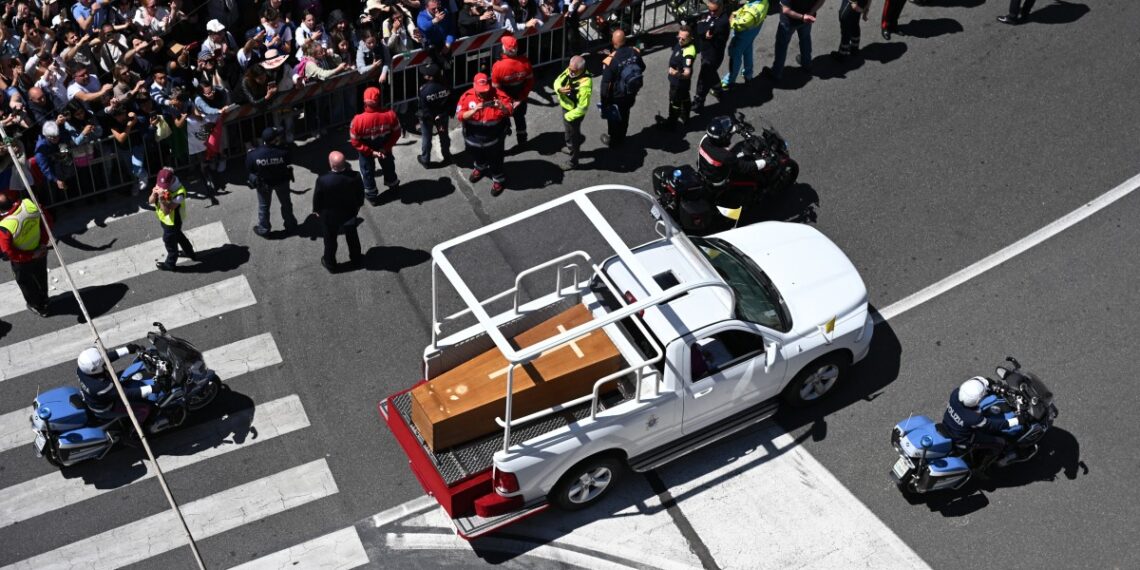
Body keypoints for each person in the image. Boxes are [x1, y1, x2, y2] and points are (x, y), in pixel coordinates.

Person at [942, 376, 1029, 466]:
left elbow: (974, 383)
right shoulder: (973, 418)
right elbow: (993, 425)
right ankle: (985, 465)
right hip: (963, 440)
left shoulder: (955, 395)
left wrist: (989, 383)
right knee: (1000, 442)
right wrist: (1017, 420)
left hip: (948, 425)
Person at [76, 344, 165, 429]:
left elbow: (104, 359)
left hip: (100, 395)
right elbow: (127, 393)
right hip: (108, 407)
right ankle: (135, 430)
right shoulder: (100, 387)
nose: (103, 357)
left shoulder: (82, 369)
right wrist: (153, 388)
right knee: (145, 408)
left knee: (126, 375)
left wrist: (127, 349)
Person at [456, 72, 513, 196]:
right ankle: (480, 167)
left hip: (494, 140)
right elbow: (460, 116)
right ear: (474, 86)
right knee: (476, 155)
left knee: (496, 160)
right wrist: (474, 110)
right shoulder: (466, 97)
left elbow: (509, 111)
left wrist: (501, 107)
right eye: (480, 91)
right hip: (473, 140)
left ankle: (498, 179)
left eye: (485, 90)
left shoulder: (499, 95)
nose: (483, 93)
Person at [0, 190, 53, 317]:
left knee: (27, 284)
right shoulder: (29, 204)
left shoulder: (4, 226)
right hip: (40, 250)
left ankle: (38, 306)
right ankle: (44, 299)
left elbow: (9, 253)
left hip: (23, 260)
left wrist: (31, 255)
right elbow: (48, 222)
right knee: (41, 277)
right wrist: (43, 244)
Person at [312, 151, 365, 272]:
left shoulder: (323, 180)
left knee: (330, 240)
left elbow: (318, 197)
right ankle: (356, 259)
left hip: (330, 217)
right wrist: (358, 205)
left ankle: (330, 263)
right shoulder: (355, 176)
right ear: (345, 163)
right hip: (349, 214)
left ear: (331, 164)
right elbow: (360, 193)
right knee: (352, 237)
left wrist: (316, 210)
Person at [349, 86, 401, 206]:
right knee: (388, 166)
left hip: (366, 150)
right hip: (384, 146)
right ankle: (393, 187)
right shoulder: (390, 115)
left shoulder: (357, 121)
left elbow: (355, 142)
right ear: (379, 100)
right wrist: (385, 148)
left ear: (364, 101)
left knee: (367, 172)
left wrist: (370, 152)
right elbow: (397, 133)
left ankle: (372, 196)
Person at [245, 126, 298, 236]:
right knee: (286, 204)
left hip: (264, 184)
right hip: (282, 181)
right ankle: (291, 225)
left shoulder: (253, 154)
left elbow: (250, 169)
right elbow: (289, 160)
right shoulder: (284, 151)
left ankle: (264, 228)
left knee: (264, 206)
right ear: (275, 140)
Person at [598, 29, 645, 148]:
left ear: (613, 42)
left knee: (614, 118)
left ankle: (614, 141)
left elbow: (605, 85)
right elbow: (642, 67)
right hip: (631, 93)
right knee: (625, 114)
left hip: (617, 96)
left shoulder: (611, 60)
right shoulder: (634, 52)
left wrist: (604, 102)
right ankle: (622, 136)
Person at [761, 0, 826, 82]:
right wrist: (810, 13)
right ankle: (807, 64)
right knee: (805, 39)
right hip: (808, 18)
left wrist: (803, 17)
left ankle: (776, 73)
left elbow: (786, 10)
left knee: (781, 45)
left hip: (789, 22)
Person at [697, 115, 768, 188]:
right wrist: (765, 162)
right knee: (744, 158)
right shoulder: (725, 156)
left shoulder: (705, 139)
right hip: (718, 180)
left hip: (704, 170)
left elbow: (721, 134)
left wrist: (736, 128)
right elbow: (744, 167)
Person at [491, 34, 534, 148]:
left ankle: (503, 141)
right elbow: (529, 82)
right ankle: (523, 142)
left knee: (502, 119)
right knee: (520, 119)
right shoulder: (525, 63)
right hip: (520, 96)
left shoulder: (498, 66)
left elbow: (496, 87)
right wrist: (520, 98)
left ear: (504, 49)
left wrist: (506, 102)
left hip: (505, 99)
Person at [149, 167, 196, 271]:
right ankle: (190, 252)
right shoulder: (161, 185)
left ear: (172, 180)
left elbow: (166, 211)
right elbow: (151, 201)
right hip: (165, 220)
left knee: (169, 241)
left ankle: (170, 264)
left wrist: (161, 199)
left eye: (165, 186)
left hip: (173, 221)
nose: (162, 188)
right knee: (179, 236)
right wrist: (154, 193)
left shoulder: (180, 193)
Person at [553, 55, 591, 171]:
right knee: (568, 132)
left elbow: (582, 108)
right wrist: (559, 89)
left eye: (573, 71)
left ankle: (573, 160)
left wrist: (569, 116)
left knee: (574, 136)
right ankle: (570, 148)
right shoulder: (571, 69)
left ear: (581, 69)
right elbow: (557, 81)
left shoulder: (585, 84)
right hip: (566, 109)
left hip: (573, 114)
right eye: (569, 69)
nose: (569, 72)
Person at [692, 0, 730, 111]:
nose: (712, 13)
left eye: (714, 10)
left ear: (721, 7)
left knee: (703, 79)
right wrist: (704, 32)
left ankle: (699, 101)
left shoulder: (721, 23)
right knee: (711, 74)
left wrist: (703, 31)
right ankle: (718, 91)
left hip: (713, 55)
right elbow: (700, 29)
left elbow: (701, 29)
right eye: (710, 10)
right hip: (706, 51)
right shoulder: (711, 15)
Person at [655, 25, 696, 130]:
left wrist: (675, 73)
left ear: (690, 38)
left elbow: (687, 73)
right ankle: (685, 116)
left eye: (683, 39)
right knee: (685, 97)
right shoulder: (681, 43)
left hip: (679, 83)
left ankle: (671, 123)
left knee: (674, 102)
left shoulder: (688, 52)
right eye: (679, 37)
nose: (680, 40)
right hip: (680, 83)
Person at [721, 0, 768, 88]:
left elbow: (739, 24)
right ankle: (748, 74)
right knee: (747, 49)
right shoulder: (764, 2)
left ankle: (729, 80)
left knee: (735, 56)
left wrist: (731, 19)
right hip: (753, 31)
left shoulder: (751, 13)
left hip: (743, 35)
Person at [417, 63, 452, 166]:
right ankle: (447, 156)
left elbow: (423, 108)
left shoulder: (424, 90)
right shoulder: (446, 85)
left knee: (427, 138)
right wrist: (442, 114)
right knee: (444, 137)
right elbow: (451, 101)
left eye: (425, 74)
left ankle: (425, 160)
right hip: (442, 116)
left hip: (428, 118)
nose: (423, 75)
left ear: (430, 77)